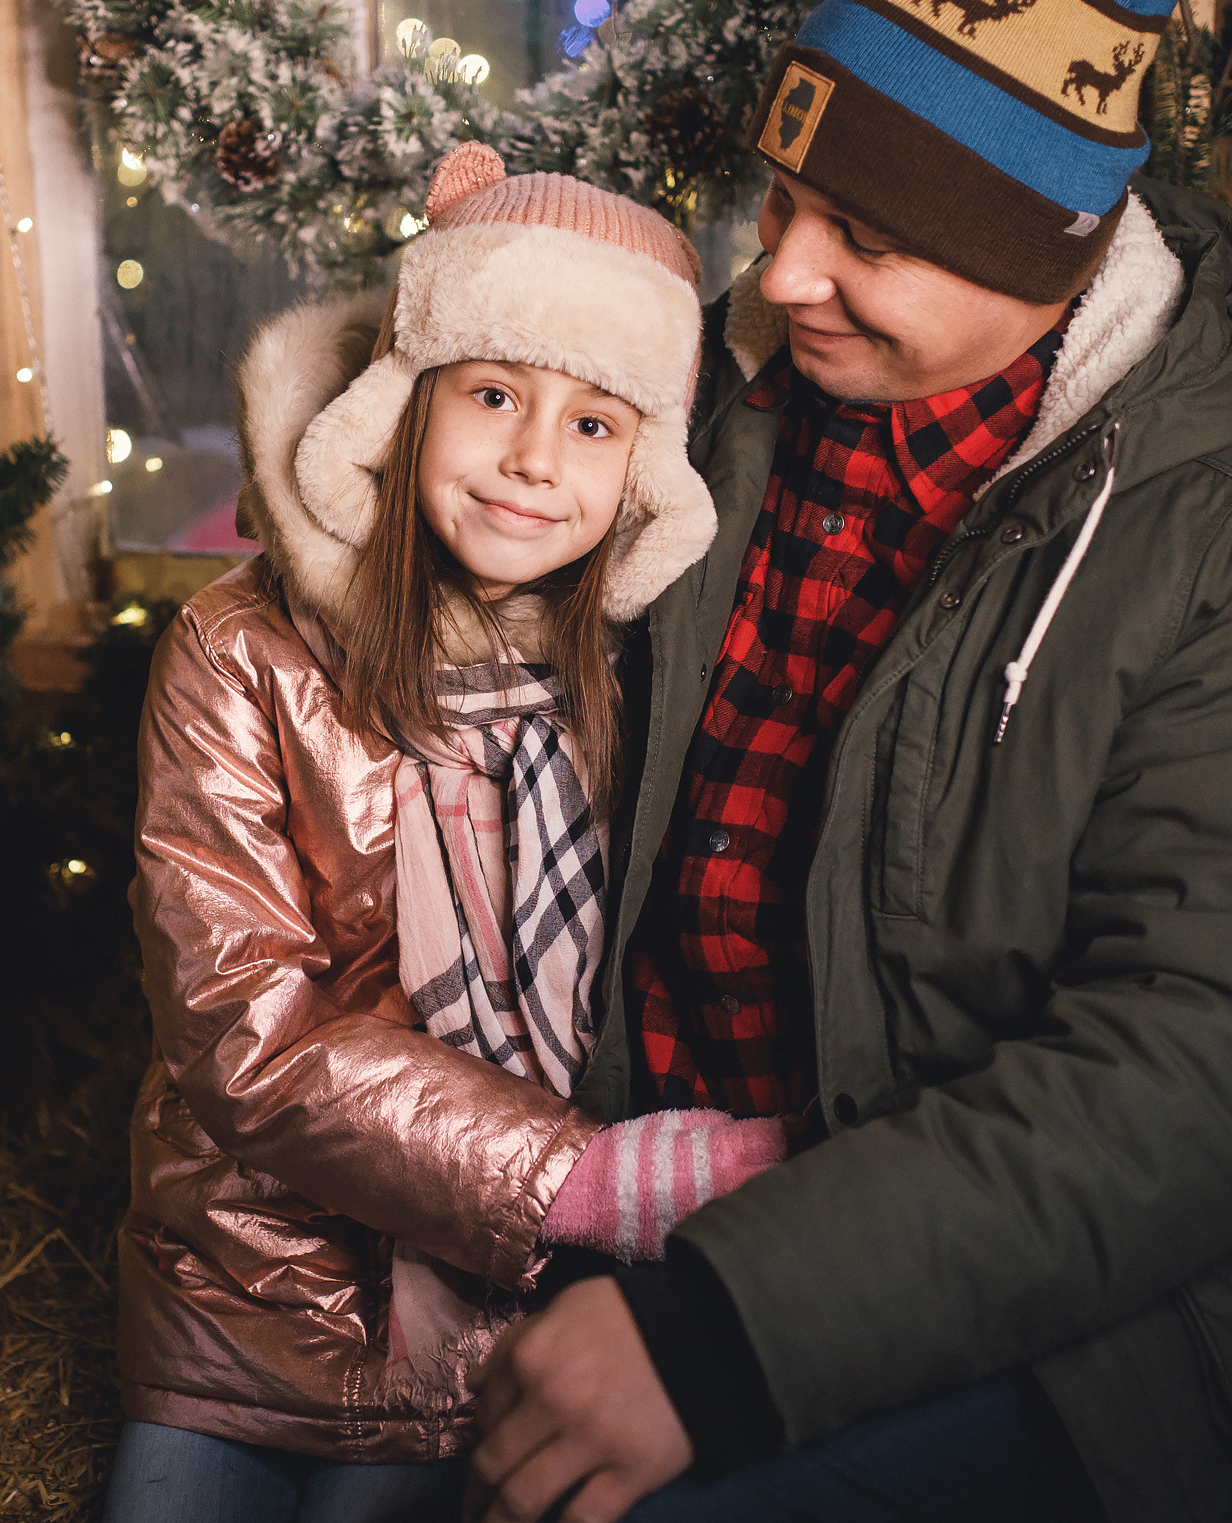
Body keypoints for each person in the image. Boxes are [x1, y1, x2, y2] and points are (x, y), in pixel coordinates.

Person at [464, 0, 1232, 1520]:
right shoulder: (725, 420)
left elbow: (1210, 1066)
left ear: (1052, 251)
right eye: (779, 202)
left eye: (868, 236)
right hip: (668, 1198)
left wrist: (723, 1331)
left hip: (1108, 1330)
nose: (782, 272)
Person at [108, 146, 788, 1523]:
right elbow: (243, 1027)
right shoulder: (242, 650)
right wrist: (586, 1180)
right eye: (494, 395)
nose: (536, 460)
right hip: (258, 1281)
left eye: (597, 425)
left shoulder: (639, 670)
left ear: (647, 471)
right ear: (400, 406)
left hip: (518, 1311)